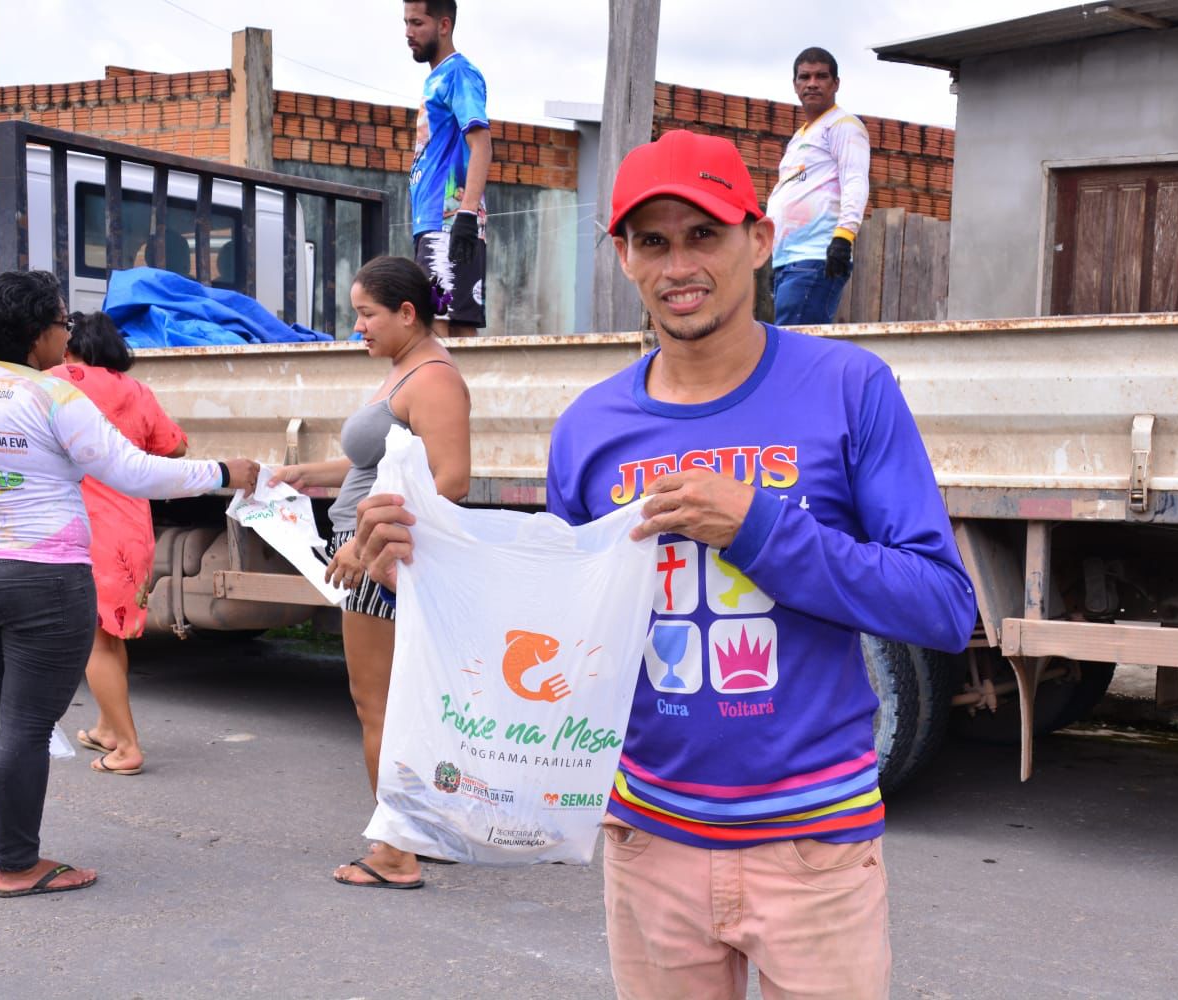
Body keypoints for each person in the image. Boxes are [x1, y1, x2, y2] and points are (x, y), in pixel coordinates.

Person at [356, 130, 977, 998]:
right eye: (653, 240)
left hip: (813, 845)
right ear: (622, 256)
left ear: (758, 240)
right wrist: (431, 577)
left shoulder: (850, 388)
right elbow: (563, 637)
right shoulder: (591, 427)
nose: (679, 263)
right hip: (649, 838)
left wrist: (761, 527)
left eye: (704, 233)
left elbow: (944, 607)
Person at [0, 270, 258, 898]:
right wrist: (223, 472)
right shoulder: (54, 397)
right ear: (38, 332)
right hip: (42, 579)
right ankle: (19, 865)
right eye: (61, 322)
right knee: (23, 723)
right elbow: (129, 471)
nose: (65, 334)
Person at [269, 255, 470, 889]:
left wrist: (366, 540)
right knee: (401, 705)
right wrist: (307, 475)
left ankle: (393, 853)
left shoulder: (432, 377)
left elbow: (451, 481)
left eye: (366, 314)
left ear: (407, 313)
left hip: (386, 562)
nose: (358, 327)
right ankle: (420, 830)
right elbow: (372, 464)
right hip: (374, 552)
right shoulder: (402, 370)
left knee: (377, 704)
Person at [49, 312, 190, 776]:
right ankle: (109, 729)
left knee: (94, 641)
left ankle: (127, 747)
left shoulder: (61, 379)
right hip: (133, 529)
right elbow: (175, 447)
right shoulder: (136, 391)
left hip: (90, 530)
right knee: (111, 637)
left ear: (69, 347)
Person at [403, 0, 492, 337]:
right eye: (406, 23)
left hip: (449, 220)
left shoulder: (459, 73)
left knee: (439, 334)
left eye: (417, 23)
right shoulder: (436, 79)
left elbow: (481, 143)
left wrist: (466, 214)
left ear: (443, 25)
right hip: (435, 222)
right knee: (449, 332)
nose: (409, 33)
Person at [765, 46, 871, 327]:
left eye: (821, 76)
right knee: (795, 347)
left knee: (796, 351)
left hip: (815, 256)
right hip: (788, 261)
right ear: (795, 85)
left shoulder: (843, 126)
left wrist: (843, 238)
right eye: (805, 77)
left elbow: (855, 181)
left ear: (835, 83)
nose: (812, 83)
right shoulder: (800, 136)